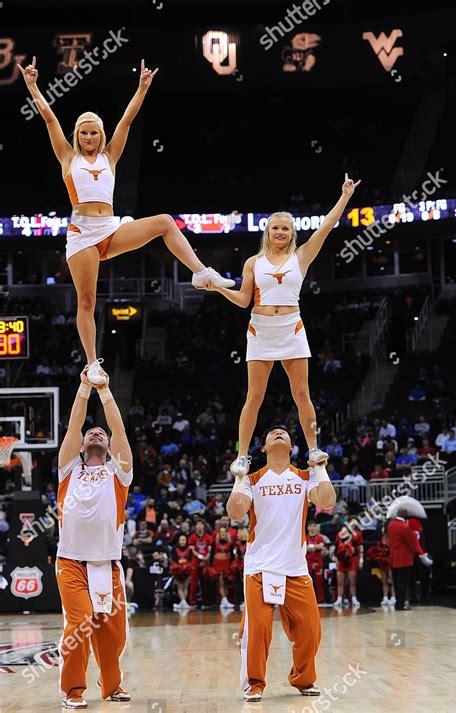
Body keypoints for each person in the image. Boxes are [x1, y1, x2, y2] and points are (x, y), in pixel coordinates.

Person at [18, 56, 234, 383]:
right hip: (81, 233)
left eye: (94, 133)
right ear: (77, 136)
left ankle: (201, 273)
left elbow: (127, 121)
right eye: (84, 133)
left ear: (100, 135)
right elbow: (49, 120)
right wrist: (33, 85)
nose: (89, 137)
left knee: (164, 222)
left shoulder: (110, 156)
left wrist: (142, 88)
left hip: (110, 227)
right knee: (87, 300)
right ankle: (92, 363)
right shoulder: (67, 157)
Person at [205, 175, 360, 477]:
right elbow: (243, 300)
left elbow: (327, 226)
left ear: (292, 234)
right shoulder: (253, 262)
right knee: (254, 396)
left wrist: (345, 196)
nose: (280, 232)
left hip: (291, 327)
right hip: (260, 329)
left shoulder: (301, 257)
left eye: (285, 228)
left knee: (302, 393)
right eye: (275, 227)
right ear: (268, 231)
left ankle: (314, 449)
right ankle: (242, 456)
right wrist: (219, 288)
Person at [227, 425, 336, 702]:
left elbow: (327, 501)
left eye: (284, 433)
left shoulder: (303, 476)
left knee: (311, 629)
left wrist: (320, 468)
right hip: (259, 567)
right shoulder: (253, 479)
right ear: (262, 448)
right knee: (257, 631)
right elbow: (235, 512)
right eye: (272, 432)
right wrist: (238, 479)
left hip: (295, 568)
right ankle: (254, 683)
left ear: (291, 447)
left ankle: (303, 678)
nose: (278, 433)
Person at [55, 367, 133, 708]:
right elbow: (74, 426)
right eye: (92, 432)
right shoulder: (68, 469)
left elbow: (118, 428)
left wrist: (105, 389)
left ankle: (112, 685)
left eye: (101, 433)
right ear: (83, 444)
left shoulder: (119, 472)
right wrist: (85, 387)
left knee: (112, 633)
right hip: (71, 561)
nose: (96, 433)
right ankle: (73, 690)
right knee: (80, 623)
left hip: (107, 562)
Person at [386, 508, 432, 610]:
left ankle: (398, 602)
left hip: (393, 558)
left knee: (397, 583)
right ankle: (400, 604)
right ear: (405, 515)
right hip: (404, 559)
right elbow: (412, 544)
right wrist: (414, 554)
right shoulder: (405, 527)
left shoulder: (390, 525)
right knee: (403, 583)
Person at [333, 525, 363, 609]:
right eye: (342, 530)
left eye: (345, 530)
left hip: (351, 562)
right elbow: (335, 551)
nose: (343, 532)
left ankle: (353, 598)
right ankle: (339, 599)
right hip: (341, 562)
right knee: (340, 583)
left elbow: (357, 550)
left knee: (352, 583)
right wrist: (336, 559)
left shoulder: (353, 538)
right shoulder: (338, 539)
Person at [188, 519, 213, 607]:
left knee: (205, 582)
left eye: (201, 524)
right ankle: (192, 602)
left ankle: (205, 601)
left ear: (203, 526)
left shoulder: (208, 537)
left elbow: (210, 550)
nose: (199, 526)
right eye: (197, 525)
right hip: (195, 561)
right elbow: (192, 550)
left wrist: (205, 558)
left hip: (206, 561)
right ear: (195, 527)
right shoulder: (192, 537)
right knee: (194, 582)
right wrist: (200, 557)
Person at [170, 534, 193, 610]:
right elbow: (174, 560)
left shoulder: (189, 550)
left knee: (185, 586)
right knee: (180, 586)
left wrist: (185, 564)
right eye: (181, 540)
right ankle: (183, 602)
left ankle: (183, 602)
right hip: (178, 570)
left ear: (186, 541)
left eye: (184, 540)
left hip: (187, 569)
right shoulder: (174, 549)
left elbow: (190, 560)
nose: (182, 542)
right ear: (178, 541)